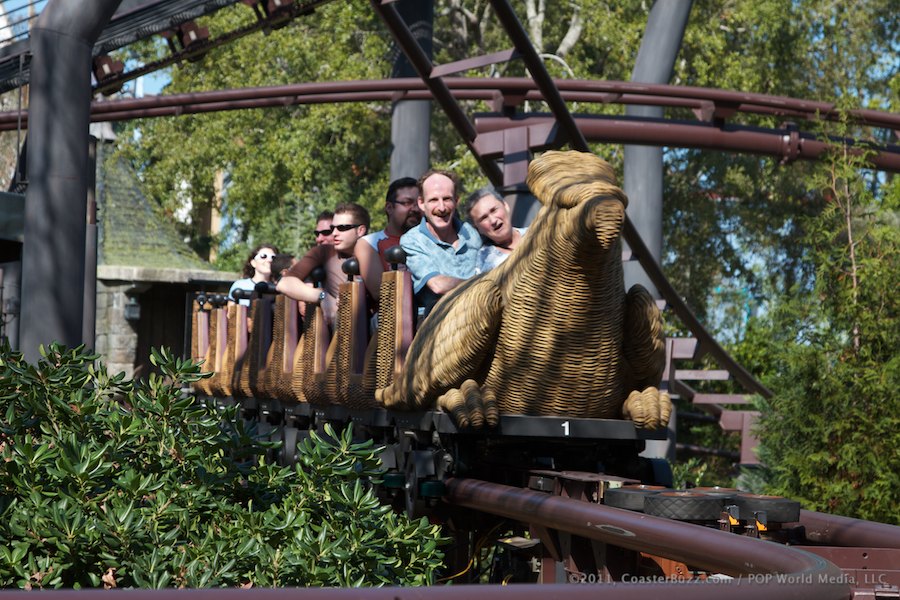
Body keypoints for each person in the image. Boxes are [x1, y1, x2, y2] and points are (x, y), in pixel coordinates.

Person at [400, 169, 481, 315]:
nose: (441, 207)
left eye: (447, 199)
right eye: (433, 200)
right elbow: (438, 285)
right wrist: (483, 285)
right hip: (436, 322)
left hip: (480, 313)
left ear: (456, 201)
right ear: (421, 203)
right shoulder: (412, 240)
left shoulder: (472, 233)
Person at [277, 202, 370, 326]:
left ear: (360, 230)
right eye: (333, 229)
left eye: (341, 228)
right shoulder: (324, 252)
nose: (335, 233)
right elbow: (284, 284)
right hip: (340, 330)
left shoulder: (375, 249)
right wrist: (323, 296)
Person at [355, 177, 422, 301]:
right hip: (390, 317)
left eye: (419, 203)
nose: (416, 209)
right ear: (389, 208)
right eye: (407, 203)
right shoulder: (369, 243)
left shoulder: (431, 240)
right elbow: (379, 293)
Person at [463, 187, 527, 274]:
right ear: (477, 229)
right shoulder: (482, 264)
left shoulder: (537, 233)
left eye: (494, 210)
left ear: (506, 206)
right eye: (484, 218)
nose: (493, 221)